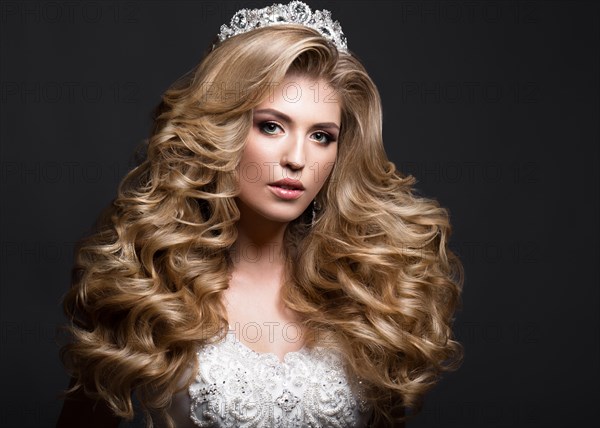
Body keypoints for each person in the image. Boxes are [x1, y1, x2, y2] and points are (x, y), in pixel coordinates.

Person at [57, 2, 464, 427]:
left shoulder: (367, 290)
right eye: (271, 126)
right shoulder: (151, 285)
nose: (297, 158)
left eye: (322, 136)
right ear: (223, 127)